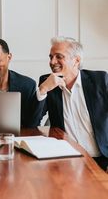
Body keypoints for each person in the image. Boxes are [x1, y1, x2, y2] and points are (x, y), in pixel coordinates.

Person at [37, 36, 108, 171]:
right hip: (66, 161)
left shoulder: (100, 81)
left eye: (59, 57)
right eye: (51, 57)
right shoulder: (47, 82)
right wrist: (43, 90)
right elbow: (32, 121)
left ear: (76, 60)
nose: (52, 62)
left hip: (102, 161)